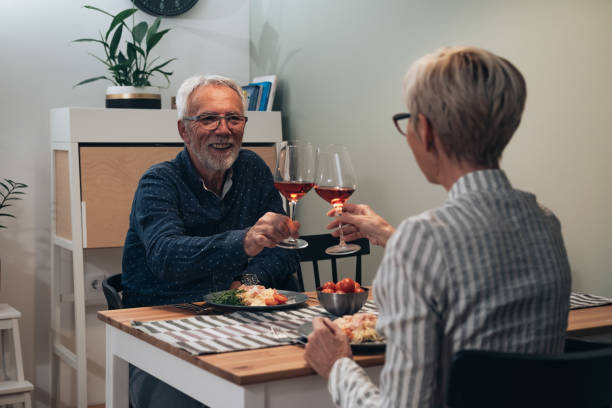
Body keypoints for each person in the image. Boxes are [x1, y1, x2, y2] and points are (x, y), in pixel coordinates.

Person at [304, 46, 572, 407]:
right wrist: (390, 236)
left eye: (408, 120)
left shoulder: (423, 239)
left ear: (426, 131)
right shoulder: (546, 224)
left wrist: (337, 366)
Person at [122, 74, 300, 408]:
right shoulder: (159, 182)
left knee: (311, 380)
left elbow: (284, 254)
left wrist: (245, 283)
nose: (224, 129)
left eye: (234, 118)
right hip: (168, 326)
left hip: (244, 322)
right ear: (183, 131)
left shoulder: (253, 169)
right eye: (208, 119)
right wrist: (243, 243)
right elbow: (166, 256)